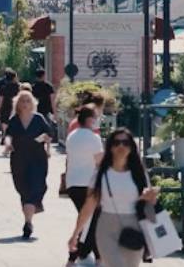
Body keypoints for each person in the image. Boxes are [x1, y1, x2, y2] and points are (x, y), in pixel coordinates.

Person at [69, 128, 159, 267]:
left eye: (125, 143)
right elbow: (89, 205)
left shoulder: (138, 172)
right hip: (107, 225)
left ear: (131, 147)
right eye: (116, 143)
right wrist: (76, 234)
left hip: (133, 225)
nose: (121, 146)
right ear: (110, 147)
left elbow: (148, 201)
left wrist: (151, 197)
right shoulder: (101, 173)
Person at [5, 91, 52, 239]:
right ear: (17, 103)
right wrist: (7, 144)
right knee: (24, 190)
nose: (25, 104)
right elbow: (8, 135)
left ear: (32, 103)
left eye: (27, 101)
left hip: (37, 159)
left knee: (37, 187)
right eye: (22, 101)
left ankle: (28, 221)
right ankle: (28, 221)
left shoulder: (39, 119)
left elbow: (50, 134)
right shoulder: (14, 120)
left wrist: (42, 138)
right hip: (19, 159)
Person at [65, 106, 104, 262]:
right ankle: (77, 256)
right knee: (91, 220)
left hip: (73, 182)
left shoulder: (72, 136)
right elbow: (100, 161)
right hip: (89, 183)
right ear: (89, 119)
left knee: (87, 220)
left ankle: (84, 255)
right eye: (95, 117)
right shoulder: (93, 138)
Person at [0, 68, 20, 147]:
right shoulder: (18, 86)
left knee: (4, 122)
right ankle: (13, 137)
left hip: (5, 106)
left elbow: (0, 98)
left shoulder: (3, 87)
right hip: (15, 105)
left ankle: (4, 135)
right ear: (14, 77)